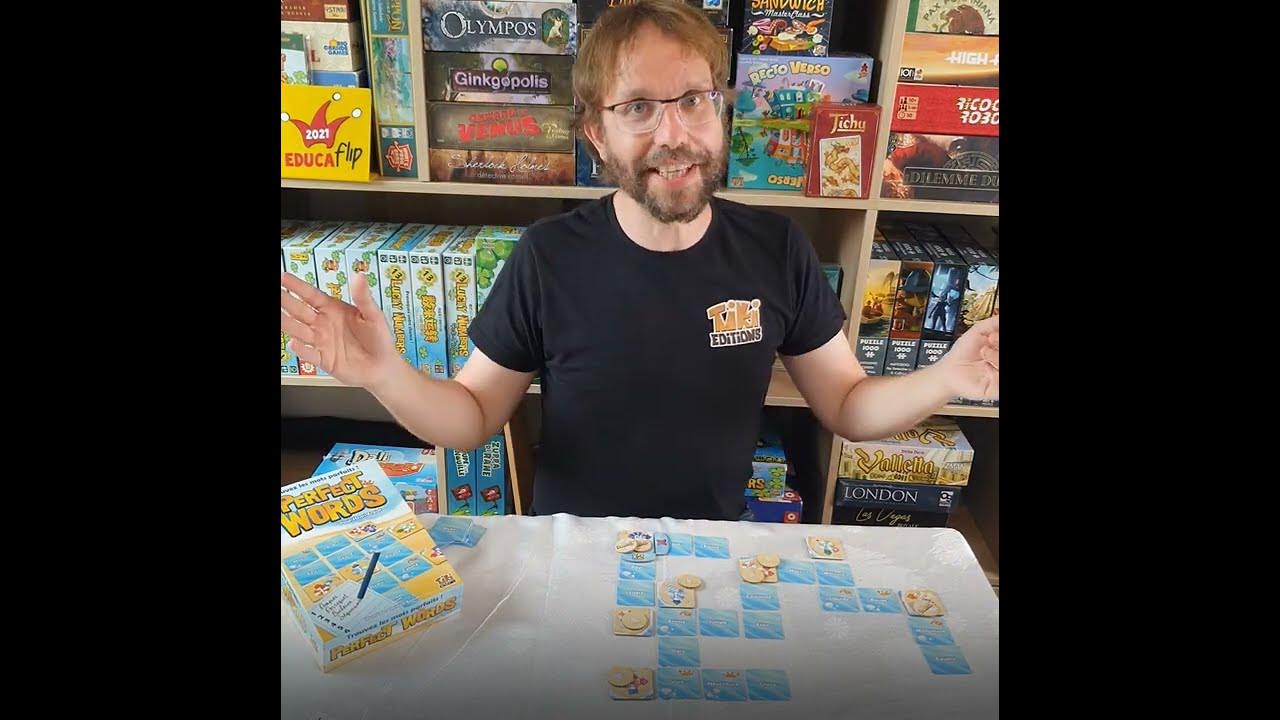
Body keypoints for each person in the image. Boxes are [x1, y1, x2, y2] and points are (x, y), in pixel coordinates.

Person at [279, 0, 999, 521]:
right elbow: (470, 417)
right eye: (637, 109)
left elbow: (847, 405)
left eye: (693, 101)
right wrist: (384, 373)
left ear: (722, 110)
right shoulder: (547, 257)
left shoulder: (778, 249)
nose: (673, 134)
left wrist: (947, 377)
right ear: (596, 133)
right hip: (574, 561)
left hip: (713, 560)